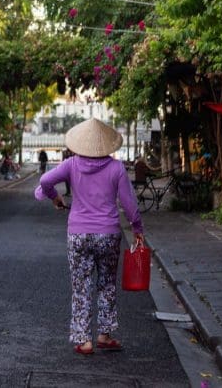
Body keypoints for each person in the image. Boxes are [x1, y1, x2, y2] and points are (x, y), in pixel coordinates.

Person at [35, 118, 144, 356]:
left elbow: (44, 181)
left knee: (80, 285)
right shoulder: (116, 168)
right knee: (106, 284)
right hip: (108, 234)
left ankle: (84, 340)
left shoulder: (71, 164)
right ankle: (105, 335)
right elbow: (129, 203)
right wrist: (137, 228)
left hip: (78, 235)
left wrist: (54, 197)